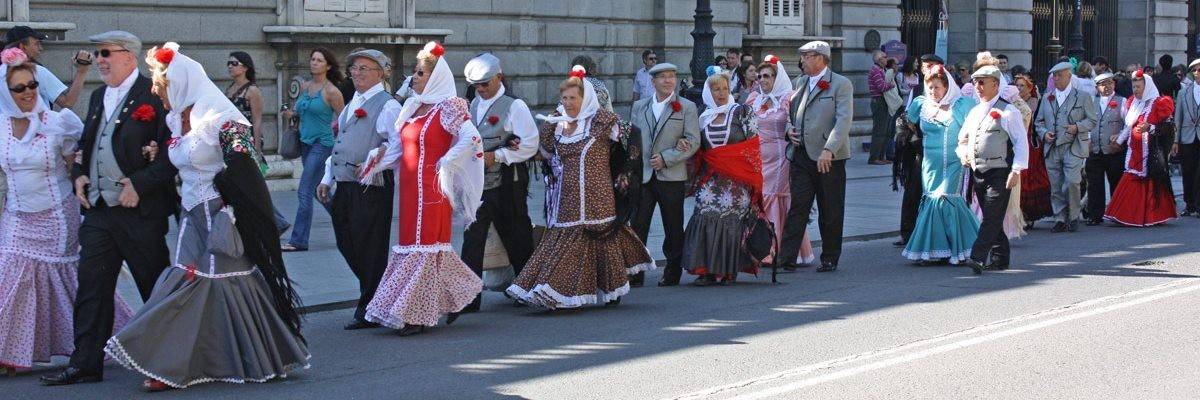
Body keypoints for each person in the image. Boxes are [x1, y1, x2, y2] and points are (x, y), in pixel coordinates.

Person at [99, 43, 309, 391]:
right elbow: (178, 161)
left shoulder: (222, 118)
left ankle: (209, 361)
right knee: (186, 280)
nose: (154, 89)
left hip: (219, 216)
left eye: (160, 82)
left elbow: (249, 167)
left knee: (211, 285)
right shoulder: (175, 117)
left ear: (180, 81)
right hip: (190, 212)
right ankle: (176, 362)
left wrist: (234, 208)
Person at [40, 31, 178, 387]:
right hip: (100, 210)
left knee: (155, 286)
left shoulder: (156, 93)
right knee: (92, 286)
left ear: (129, 57)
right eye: (97, 54)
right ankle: (85, 362)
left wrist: (141, 184)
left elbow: (172, 153)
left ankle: (170, 360)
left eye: (105, 53)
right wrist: (79, 175)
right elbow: (88, 144)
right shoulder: (100, 95)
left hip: (139, 212)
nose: (99, 59)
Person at [0, 49, 132, 376]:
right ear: (6, 92)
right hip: (17, 215)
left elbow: (82, 159)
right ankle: (8, 352)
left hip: (58, 214)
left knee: (71, 282)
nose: (28, 92)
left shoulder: (59, 124)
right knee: (11, 279)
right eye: (19, 88)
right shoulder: (0, 128)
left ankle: (113, 339)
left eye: (32, 85)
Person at [358, 41, 483, 336]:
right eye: (415, 73)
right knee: (415, 245)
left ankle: (415, 314)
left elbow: (472, 138)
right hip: (409, 188)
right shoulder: (412, 107)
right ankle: (450, 300)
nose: (414, 78)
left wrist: (448, 161)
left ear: (436, 77)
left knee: (425, 245)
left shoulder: (448, 107)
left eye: (420, 73)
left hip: (432, 189)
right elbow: (400, 149)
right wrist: (376, 163)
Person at [506, 65, 653, 307]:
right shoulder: (556, 125)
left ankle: (610, 290)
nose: (568, 102)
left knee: (602, 241)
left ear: (585, 99)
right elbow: (542, 152)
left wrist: (627, 173)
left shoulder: (603, 122)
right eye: (564, 98)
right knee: (565, 243)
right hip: (568, 196)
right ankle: (552, 290)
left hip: (598, 195)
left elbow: (632, 136)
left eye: (573, 98)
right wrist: (514, 144)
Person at [315, 49, 401, 330]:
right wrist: (327, 178)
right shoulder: (353, 103)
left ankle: (369, 305)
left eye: (365, 68)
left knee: (371, 247)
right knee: (346, 242)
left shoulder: (388, 105)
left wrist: (376, 161)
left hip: (371, 187)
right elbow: (340, 142)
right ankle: (377, 294)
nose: (357, 73)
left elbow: (398, 145)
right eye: (354, 68)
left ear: (381, 73)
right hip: (346, 184)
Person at [458, 53, 538, 312]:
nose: (480, 89)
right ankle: (469, 297)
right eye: (476, 85)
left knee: (516, 235)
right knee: (472, 238)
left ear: (499, 77)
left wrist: (499, 155)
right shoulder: (471, 105)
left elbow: (529, 145)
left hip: (507, 183)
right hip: (477, 183)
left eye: (484, 84)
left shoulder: (515, 106)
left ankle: (526, 287)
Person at [681, 68, 760, 285]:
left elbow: (753, 145)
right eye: (716, 89)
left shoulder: (742, 112)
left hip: (737, 180)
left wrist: (747, 174)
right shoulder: (702, 116)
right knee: (704, 213)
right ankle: (706, 269)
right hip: (711, 180)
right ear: (709, 92)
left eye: (725, 88)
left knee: (732, 219)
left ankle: (728, 270)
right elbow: (696, 146)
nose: (722, 93)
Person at [779, 41, 853, 272]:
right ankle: (786, 258)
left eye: (806, 56)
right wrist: (788, 130)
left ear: (821, 57)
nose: (802, 60)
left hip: (828, 156)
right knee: (798, 206)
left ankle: (830, 256)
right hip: (801, 154)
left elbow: (843, 120)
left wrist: (829, 149)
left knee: (830, 208)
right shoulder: (800, 82)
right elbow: (790, 115)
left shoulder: (840, 84)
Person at [629, 62, 699, 287]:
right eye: (663, 77)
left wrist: (667, 158)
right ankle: (636, 271)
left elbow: (693, 141)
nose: (669, 81)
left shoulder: (686, 106)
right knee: (638, 225)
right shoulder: (640, 106)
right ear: (653, 81)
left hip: (672, 175)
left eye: (672, 76)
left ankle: (672, 272)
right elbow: (633, 140)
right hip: (645, 176)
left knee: (673, 226)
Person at [902, 65, 980, 264]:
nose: (932, 92)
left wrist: (968, 151)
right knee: (931, 198)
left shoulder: (962, 105)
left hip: (954, 161)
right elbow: (908, 124)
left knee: (946, 197)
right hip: (930, 163)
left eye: (937, 87)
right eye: (929, 87)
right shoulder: (921, 104)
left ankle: (963, 246)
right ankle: (936, 250)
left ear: (947, 87)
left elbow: (974, 128)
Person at [956, 65, 1029, 274]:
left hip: (1000, 171)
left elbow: (1020, 143)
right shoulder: (975, 111)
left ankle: (977, 257)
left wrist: (1016, 170)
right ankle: (1000, 257)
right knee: (992, 214)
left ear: (995, 84)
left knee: (991, 216)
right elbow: (962, 140)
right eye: (976, 82)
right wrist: (964, 154)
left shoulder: (1008, 111)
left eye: (982, 82)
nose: (977, 87)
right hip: (978, 171)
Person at [750, 55, 815, 267]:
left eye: (767, 76)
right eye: (759, 76)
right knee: (760, 198)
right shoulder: (753, 99)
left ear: (777, 78)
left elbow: (796, 122)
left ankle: (777, 250)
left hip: (781, 158)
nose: (762, 80)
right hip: (758, 157)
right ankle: (759, 248)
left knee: (774, 197)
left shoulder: (789, 98)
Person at [280, 48, 344, 252]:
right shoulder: (306, 86)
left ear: (328, 66)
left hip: (322, 144)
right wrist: (289, 114)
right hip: (305, 144)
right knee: (319, 191)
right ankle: (347, 220)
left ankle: (299, 240)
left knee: (305, 190)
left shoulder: (332, 91)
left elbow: (344, 120)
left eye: (319, 60)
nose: (314, 63)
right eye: (313, 59)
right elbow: (299, 112)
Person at [225, 51, 291, 234]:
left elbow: (258, 121)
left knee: (251, 185)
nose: (230, 66)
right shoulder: (229, 88)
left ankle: (276, 222)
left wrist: (257, 150)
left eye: (234, 63)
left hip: (247, 142)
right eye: (228, 63)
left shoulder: (252, 91)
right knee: (245, 186)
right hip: (231, 142)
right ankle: (271, 222)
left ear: (245, 67)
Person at [1104, 71, 1178, 226]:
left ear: (1147, 87)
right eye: (1134, 86)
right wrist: (1119, 140)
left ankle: (1150, 215)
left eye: (1139, 86)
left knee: (1150, 181)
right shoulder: (1133, 103)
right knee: (1131, 177)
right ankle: (1127, 214)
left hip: (1151, 152)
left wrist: (1150, 128)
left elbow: (1168, 128)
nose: (1135, 89)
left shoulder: (1159, 103)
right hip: (1134, 150)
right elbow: (1128, 126)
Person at [1035, 61, 1097, 233]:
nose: (1056, 79)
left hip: (1074, 146)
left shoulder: (1083, 96)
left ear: (1069, 76)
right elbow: (1038, 122)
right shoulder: (1048, 97)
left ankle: (1074, 215)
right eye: (1054, 76)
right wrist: (1044, 133)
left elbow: (1092, 120)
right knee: (1055, 185)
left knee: (1071, 182)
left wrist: (1077, 127)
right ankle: (1059, 218)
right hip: (1052, 147)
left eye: (1059, 75)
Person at [894, 54, 945, 247]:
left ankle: (935, 234)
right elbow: (907, 117)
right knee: (913, 191)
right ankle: (908, 233)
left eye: (930, 66)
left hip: (941, 151)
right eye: (924, 66)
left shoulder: (951, 88)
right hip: (918, 149)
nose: (926, 69)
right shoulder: (917, 92)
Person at [3, 26, 89, 109]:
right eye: (36, 43)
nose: (40, 48)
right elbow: (67, 103)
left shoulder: (1, 71)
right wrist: (82, 71)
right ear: (23, 47)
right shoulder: (36, 71)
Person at [1085, 73, 1128, 225]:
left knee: (1116, 181)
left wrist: (1120, 137)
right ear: (1097, 87)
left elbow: (1128, 124)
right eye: (1103, 84)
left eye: (1110, 83)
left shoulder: (1122, 101)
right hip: (1095, 149)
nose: (1107, 86)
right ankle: (1095, 215)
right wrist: (1089, 139)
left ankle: (1119, 213)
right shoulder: (1091, 101)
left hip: (1114, 150)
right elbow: (1087, 123)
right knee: (1094, 183)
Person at [1013, 73, 1054, 226]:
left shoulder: (1034, 102)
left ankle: (1028, 215)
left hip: (1031, 145)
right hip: (1015, 143)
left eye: (1022, 85)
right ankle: (1019, 214)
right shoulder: (1013, 102)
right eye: (1017, 85)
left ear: (1029, 88)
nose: (1019, 88)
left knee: (1030, 179)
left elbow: (1038, 123)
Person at [1173, 59, 1200, 218]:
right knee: (1188, 172)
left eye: (1199, 70)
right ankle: (1189, 204)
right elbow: (1178, 118)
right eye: (1195, 70)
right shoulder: (1184, 92)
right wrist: (1175, 140)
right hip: (1187, 137)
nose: (1197, 73)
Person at [868, 50, 896, 165]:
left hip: (883, 101)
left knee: (885, 130)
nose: (887, 59)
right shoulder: (876, 71)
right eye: (885, 57)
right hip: (879, 101)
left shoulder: (881, 70)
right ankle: (874, 157)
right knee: (879, 131)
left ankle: (881, 156)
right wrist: (891, 85)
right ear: (879, 60)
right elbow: (881, 87)